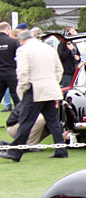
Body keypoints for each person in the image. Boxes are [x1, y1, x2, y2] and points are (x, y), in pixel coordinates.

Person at [0, 31, 68, 161]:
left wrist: (23, 88)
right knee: (53, 122)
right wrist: (53, 82)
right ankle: (61, 149)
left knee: (26, 121)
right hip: (50, 89)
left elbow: (22, 72)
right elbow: (59, 70)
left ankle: (15, 152)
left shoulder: (23, 50)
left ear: (22, 40)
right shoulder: (49, 49)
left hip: (34, 90)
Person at [0, 21, 19, 112]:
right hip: (11, 73)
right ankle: (20, 123)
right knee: (17, 99)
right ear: (7, 29)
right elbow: (20, 57)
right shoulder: (13, 42)